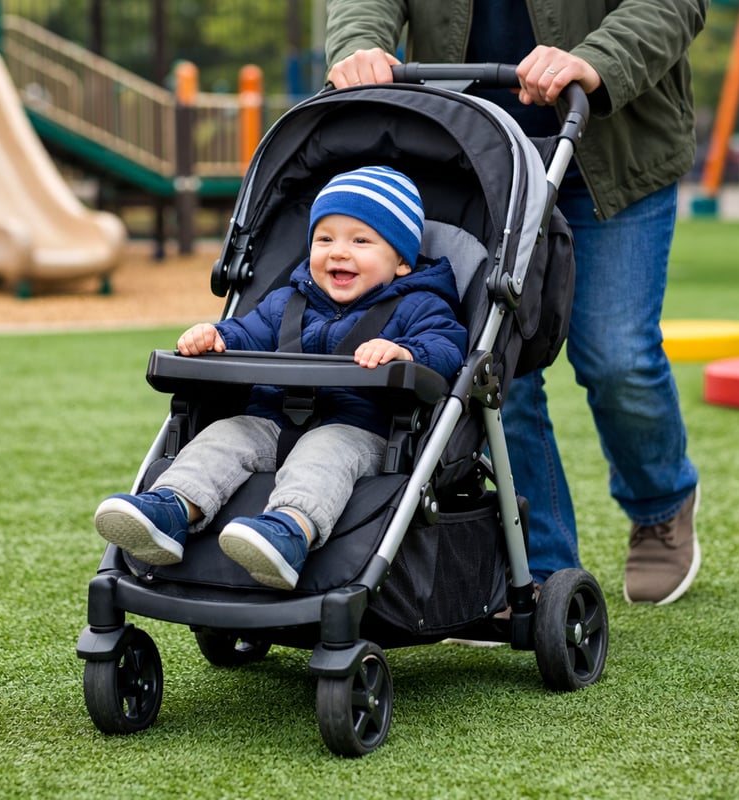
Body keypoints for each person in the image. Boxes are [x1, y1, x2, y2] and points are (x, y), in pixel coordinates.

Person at [326, 1, 705, 605]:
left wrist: (594, 61)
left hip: (609, 143)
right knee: (496, 369)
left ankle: (661, 503)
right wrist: (360, 43)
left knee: (616, 356)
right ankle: (543, 570)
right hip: (472, 158)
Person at [94, 166, 468, 590]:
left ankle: (289, 533)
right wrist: (216, 336)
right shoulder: (287, 301)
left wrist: (405, 353)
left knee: (323, 453)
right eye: (324, 239)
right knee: (224, 435)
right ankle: (171, 509)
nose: (339, 252)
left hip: (360, 431)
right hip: (273, 421)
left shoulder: (418, 306)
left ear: (401, 261)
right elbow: (246, 334)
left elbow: (447, 347)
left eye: (360, 241)